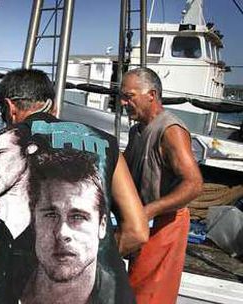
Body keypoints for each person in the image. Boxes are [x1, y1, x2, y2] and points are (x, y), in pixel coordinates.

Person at [0, 68, 148, 303]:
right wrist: (92, 253)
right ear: (52, 106)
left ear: (10, 107)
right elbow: (137, 231)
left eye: (77, 217)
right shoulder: (107, 143)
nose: (63, 234)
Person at [121, 67, 203, 304]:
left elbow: (194, 184)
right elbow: (123, 169)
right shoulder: (137, 130)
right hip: (143, 221)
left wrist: (149, 211)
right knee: (133, 286)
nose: (124, 103)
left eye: (130, 97)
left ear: (151, 95)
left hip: (166, 223)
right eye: (122, 98)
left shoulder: (171, 131)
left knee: (151, 294)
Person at [21, 148, 114, 304]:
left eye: (78, 217)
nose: (62, 233)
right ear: (33, 220)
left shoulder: (117, 296)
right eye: (51, 215)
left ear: (102, 225)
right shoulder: (10, 287)